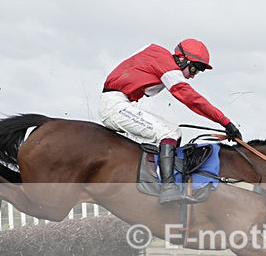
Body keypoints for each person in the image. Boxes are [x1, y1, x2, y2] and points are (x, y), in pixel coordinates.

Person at [99, 38, 241, 204]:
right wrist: (224, 122)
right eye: (194, 69)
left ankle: (167, 182)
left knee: (175, 131)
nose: (193, 76)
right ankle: (167, 188)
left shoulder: (158, 55)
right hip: (114, 105)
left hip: (118, 102)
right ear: (182, 59)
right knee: (168, 133)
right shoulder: (166, 64)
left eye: (198, 72)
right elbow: (191, 99)